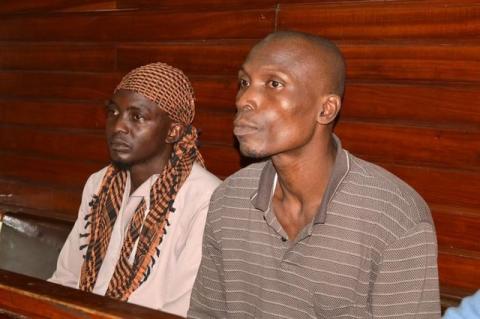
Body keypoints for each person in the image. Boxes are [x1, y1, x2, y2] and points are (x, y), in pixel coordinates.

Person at [188, 31, 440, 318]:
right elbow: (207, 314)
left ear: (325, 109)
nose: (245, 99)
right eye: (244, 82)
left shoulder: (394, 215)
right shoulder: (229, 198)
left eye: (274, 84)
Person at [49, 62, 220, 317]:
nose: (118, 126)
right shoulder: (100, 184)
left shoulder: (205, 198)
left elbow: (185, 309)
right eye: (114, 113)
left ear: (172, 131)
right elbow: (66, 278)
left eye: (137, 116)